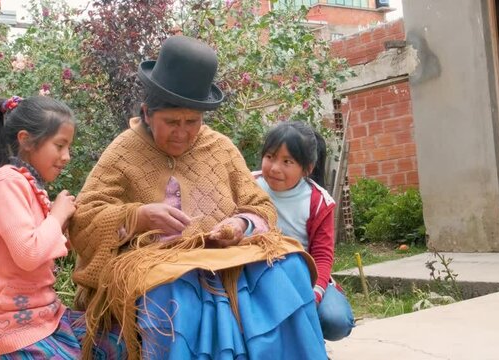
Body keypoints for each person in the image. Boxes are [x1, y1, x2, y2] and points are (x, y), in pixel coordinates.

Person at [70, 35, 327, 360]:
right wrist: (139, 216)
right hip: (156, 264)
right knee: (177, 294)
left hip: (225, 260)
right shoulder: (124, 151)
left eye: (192, 122)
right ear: (148, 113)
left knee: (288, 267)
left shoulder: (219, 147)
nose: (182, 132)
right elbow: (83, 220)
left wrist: (240, 224)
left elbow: (260, 206)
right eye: (172, 122)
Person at [0, 95, 91, 358]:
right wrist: (57, 217)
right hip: (12, 330)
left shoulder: (28, 185)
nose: (66, 156)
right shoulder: (5, 182)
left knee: (119, 338)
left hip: (46, 317)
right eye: (60, 145)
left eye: (68, 147)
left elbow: (44, 246)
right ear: (25, 140)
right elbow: (29, 253)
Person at [254, 121, 355, 341]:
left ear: (306, 168)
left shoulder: (318, 202)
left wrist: (315, 293)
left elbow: (322, 256)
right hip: (256, 274)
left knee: (335, 321)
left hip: (304, 277)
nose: (274, 168)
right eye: (270, 157)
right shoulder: (248, 186)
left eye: (287, 161)